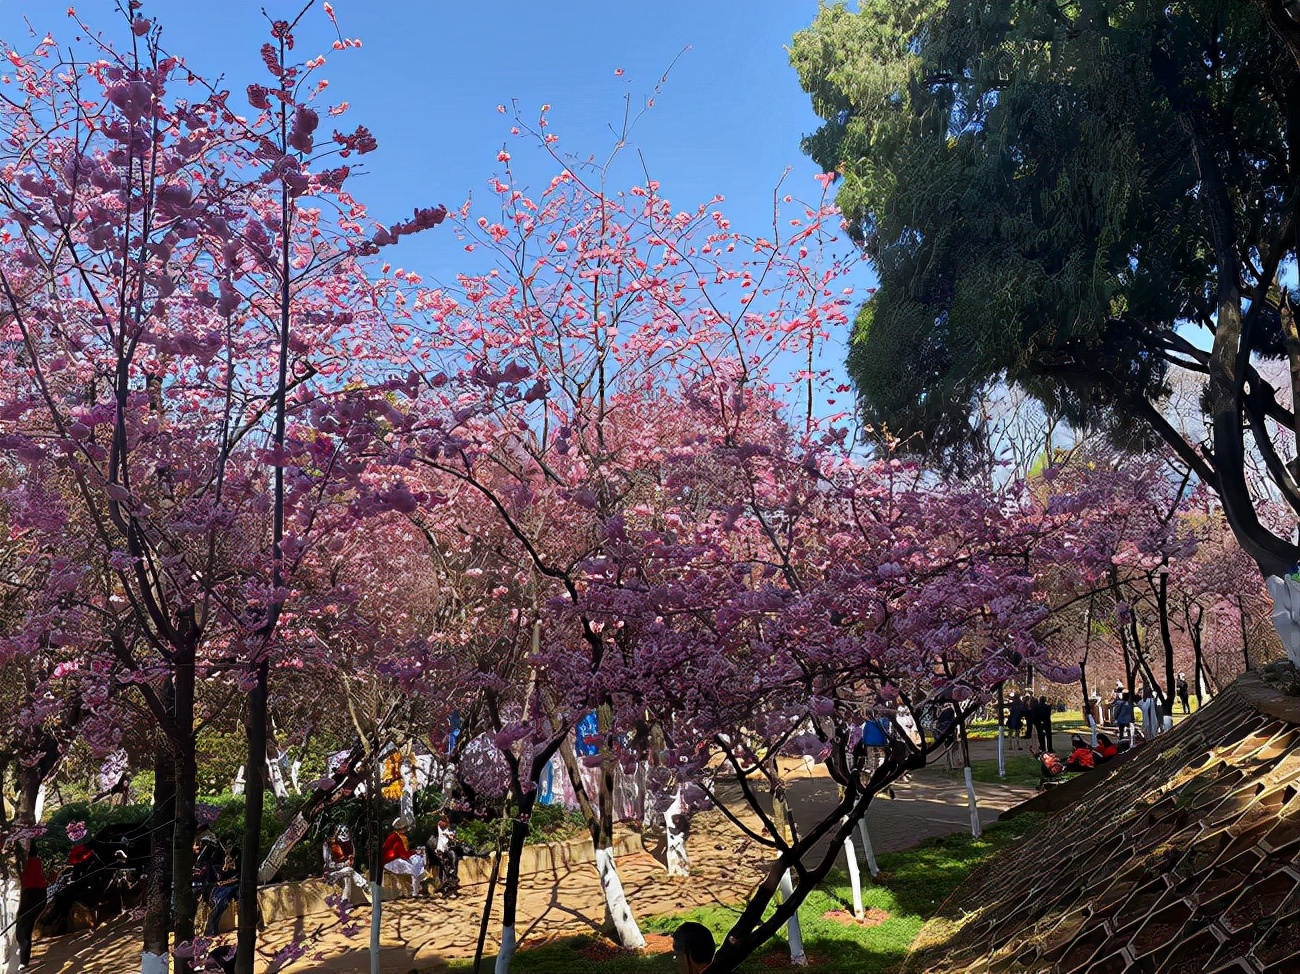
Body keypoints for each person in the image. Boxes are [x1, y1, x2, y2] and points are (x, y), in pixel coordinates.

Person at [16, 841, 47, 971]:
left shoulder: (26, 863)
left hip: (31, 895)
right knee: (25, 929)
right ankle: (24, 960)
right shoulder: (36, 861)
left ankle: (23, 962)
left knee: (22, 930)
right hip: (39, 895)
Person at [324, 825, 369, 904]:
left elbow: (352, 859)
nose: (343, 843)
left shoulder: (349, 844)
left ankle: (345, 903)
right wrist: (343, 865)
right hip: (332, 874)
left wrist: (350, 862)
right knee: (348, 871)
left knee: (347, 874)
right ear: (336, 835)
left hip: (345, 873)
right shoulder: (328, 845)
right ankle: (365, 885)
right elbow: (329, 865)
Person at [204, 842, 241, 937]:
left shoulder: (239, 856)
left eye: (229, 846)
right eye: (226, 846)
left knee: (223, 900)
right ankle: (212, 928)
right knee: (220, 901)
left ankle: (212, 928)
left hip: (236, 885)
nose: (227, 849)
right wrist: (226, 867)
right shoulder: (224, 857)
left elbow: (238, 876)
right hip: (226, 886)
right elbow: (223, 876)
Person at [381, 819, 426, 896]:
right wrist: (414, 852)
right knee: (413, 869)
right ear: (400, 828)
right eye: (404, 827)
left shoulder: (399, 836)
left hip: (395, 859)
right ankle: (415, 892)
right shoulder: (395, 837)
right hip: (390, 861)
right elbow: (402, 853)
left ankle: (416, 890)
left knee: (416, 866)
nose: (406, 829)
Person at [428, 818, 460, 897]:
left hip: (445, 852)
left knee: (452, 863)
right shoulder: (436, 832)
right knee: (445, 869)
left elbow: (451, 840)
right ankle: (446, 890)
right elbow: (432, 844)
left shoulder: (447, 830)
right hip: (438, 852)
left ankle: (449, 888)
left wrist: (452, 838)